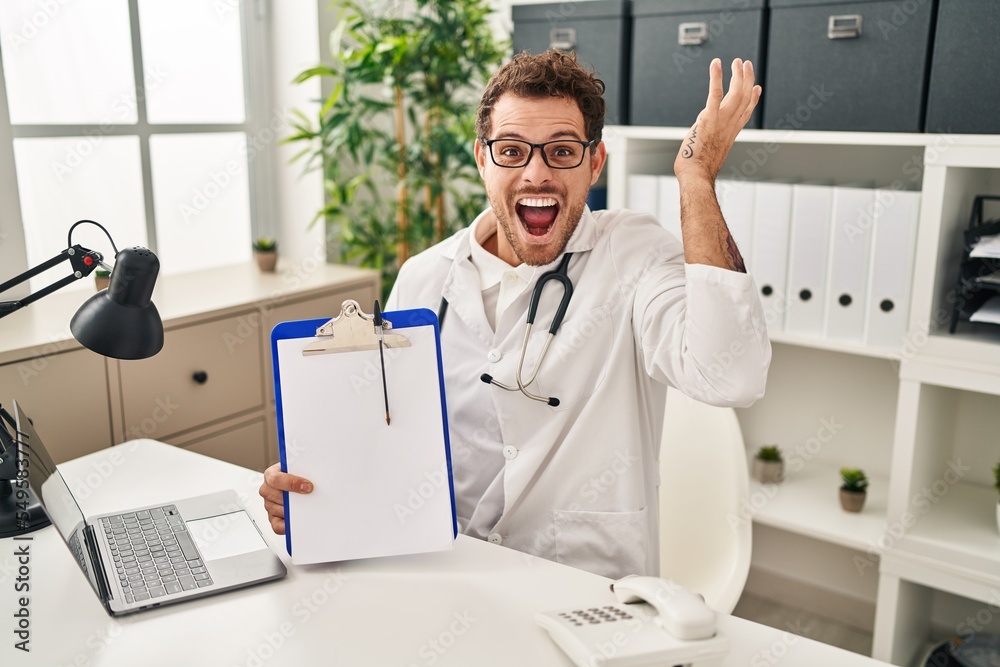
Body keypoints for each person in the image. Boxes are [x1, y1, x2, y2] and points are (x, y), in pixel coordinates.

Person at [260, 50, 771, 580]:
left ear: (594, 163)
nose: (536, 174)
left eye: (562, 151)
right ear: (483, 159)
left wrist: (696, 177)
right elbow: (376, 443)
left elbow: (729, 374)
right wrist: (314, 491)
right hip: (444, 574)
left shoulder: (634, 254)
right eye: (511, 151)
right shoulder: (423, 278)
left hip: (588, 595)